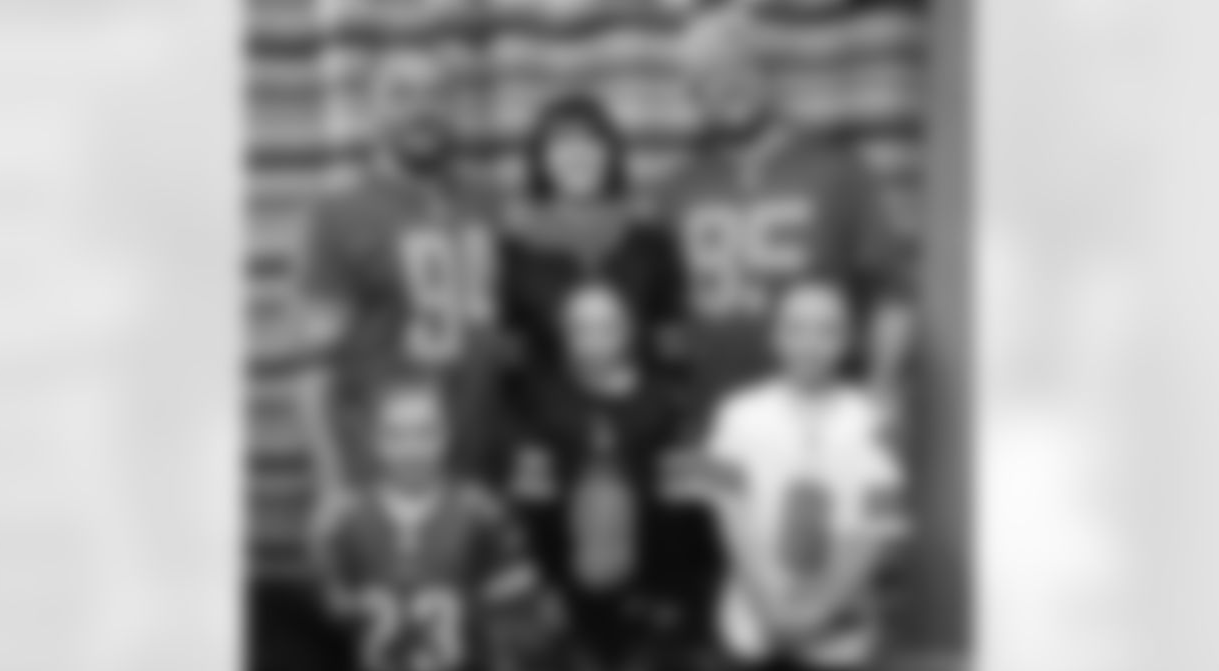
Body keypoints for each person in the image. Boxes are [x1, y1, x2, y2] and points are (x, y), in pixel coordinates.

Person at [660, 5, 914, 421]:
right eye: (707, 79)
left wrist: (884, 385)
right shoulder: (678, 187)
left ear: (767, 72)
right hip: (708, 422)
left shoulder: (837, 172)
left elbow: (891, 294)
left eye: (738, 67)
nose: (726, 86)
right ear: (695, 98)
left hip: (821, 424)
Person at [298, 49, 509, 502]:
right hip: (381, 480)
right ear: (371, 111)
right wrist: (332, 485)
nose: (421, 108)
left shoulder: (488, 200)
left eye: (435, 94)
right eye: (402, 94)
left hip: (483, 471)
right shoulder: (338, 213)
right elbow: (314, 367)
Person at [505, 283, 723, 671]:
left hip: (648, 590)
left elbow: (689, 510)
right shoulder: (543, 405)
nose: (593, 339)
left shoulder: (665, 403)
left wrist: (675, 591)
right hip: (574, 594)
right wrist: (547, 587)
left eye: (605, 326)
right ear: (564, 337)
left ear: (626, 332)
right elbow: (534, 509)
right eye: (580, 328)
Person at [698, 277, 910, 671]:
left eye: (826, 329)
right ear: (775, 337)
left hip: (838, 625)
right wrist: (773, 610)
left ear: (847, 341)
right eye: (796, 327)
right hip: (758, 620)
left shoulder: (871, 422)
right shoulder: (738, 414)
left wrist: (817, 614)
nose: (810, 343)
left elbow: (877, 527)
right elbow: (728, 514)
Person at [315, 375, 545, 671]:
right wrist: (364, 604)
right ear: (375, 441)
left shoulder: (479, 511)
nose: (412, 448)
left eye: (425, 432)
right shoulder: (347, 520)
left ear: (446, 437)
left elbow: (521, 583)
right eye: (396, 434)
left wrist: (466, 602)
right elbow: (334, 599)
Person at [500, 93, 688, 385]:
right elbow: (510, 348)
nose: (577, 155)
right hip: (545, 403)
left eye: (590, 142)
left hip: (642, 402)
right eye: (561, 144)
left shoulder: (649, 235)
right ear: (541, 160)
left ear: (610, 153)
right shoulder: (516, 243)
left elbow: (670, 334)